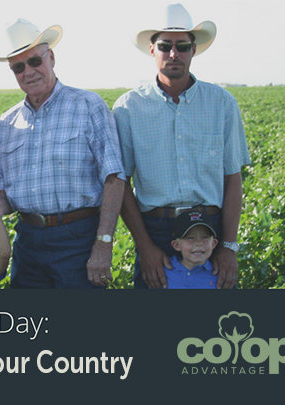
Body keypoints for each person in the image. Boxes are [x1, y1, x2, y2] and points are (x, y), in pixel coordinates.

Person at [112, 4, 251, 289]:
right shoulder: (128, 108)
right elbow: (121, 182)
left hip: (209, 229)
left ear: (194, 50)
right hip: (156, 230)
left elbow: (232, 178)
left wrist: (229, 246)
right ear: (152, 49)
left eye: (182, 45)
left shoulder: (221, 103)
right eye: (165, 45)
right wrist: (144, 246)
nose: (173, 53)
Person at [0, 19, 125, 289]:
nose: (29, 72)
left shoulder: (87, 105)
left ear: (52, 58)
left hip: (78, 238)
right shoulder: (7, 122)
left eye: (35, 61)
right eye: (19, 67)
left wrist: (103, 244)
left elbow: (114, 178)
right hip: (27, 241)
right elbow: (4, 193)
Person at [166, 210, 219, 288]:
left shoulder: (219, 275)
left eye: (205, 237)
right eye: (190, 238)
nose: (199, 243)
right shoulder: (164, 272)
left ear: (213, 244)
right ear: (176, 245)